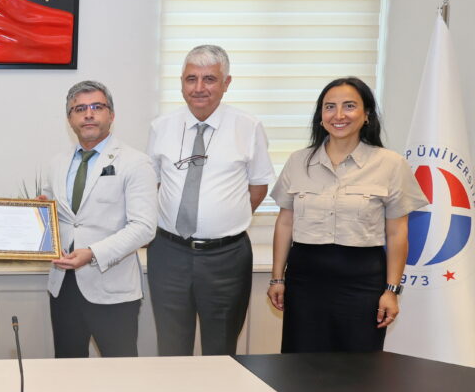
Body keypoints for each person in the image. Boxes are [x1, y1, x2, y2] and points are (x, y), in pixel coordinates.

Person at [267, 77, 428, 353]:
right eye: (330, 107)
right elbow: (285, 223)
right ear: (320, 117)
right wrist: (277, 278)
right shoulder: (298, 161)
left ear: (366, 115)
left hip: (362, 281)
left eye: (349, 106)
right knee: (301, 363)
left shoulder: (391, 164)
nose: (338, 115)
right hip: (305, 280)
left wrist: (391, 291)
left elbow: (397, 233)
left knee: (358, 366)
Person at [146, 44, 275, 356]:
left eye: (209, 79)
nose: (199, 88)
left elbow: (258, 187)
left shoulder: (248, 127)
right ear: (181, 83)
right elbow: (154, 184)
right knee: (171, 347)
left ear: (226, 83)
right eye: (191, 79)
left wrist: (222, 219)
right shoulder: (161, 127)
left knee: (221, 349)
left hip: (226, 258)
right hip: (168, 253)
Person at [43, 81, 157, 357]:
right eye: (79, 109)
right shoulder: (57, 163)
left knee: (118, 372)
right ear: (70, 119)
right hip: (63, 286)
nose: (89, 114)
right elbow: (52, 215)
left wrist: (92, 253)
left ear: (111, 115)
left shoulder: (136, 162)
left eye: (97, 107)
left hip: (112, 287)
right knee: (67, 369)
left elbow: (144, 227)